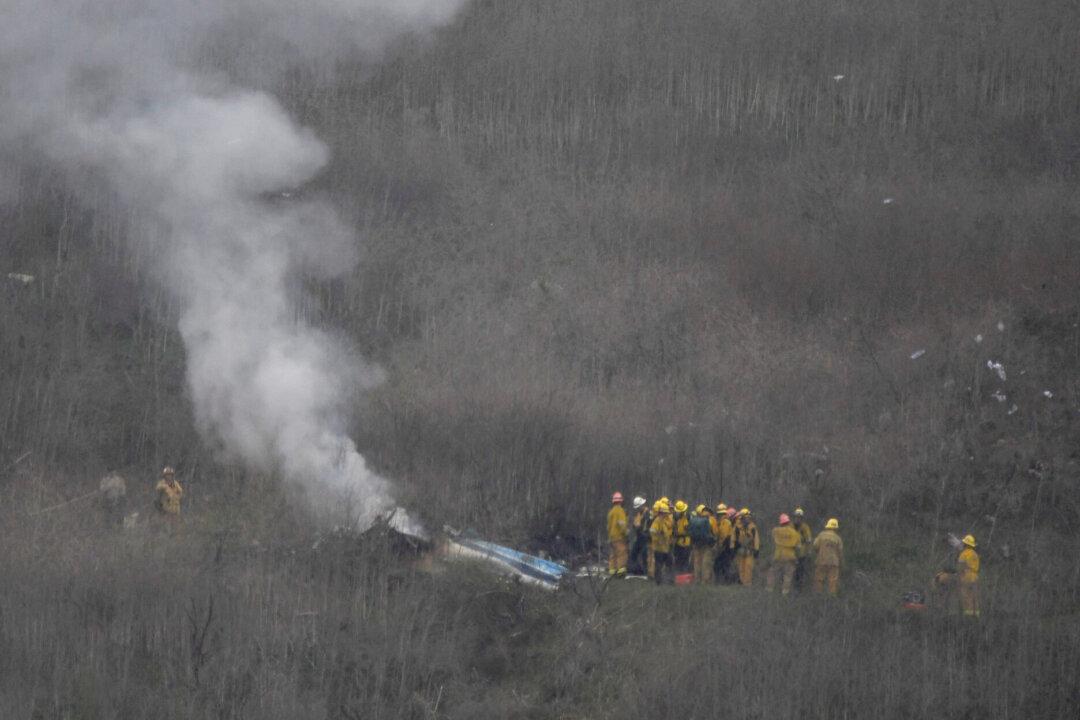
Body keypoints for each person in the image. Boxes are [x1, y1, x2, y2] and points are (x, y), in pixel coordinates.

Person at [767, 513, 801, 595]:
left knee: (772, 573)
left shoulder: (776, 530)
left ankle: (769, 590)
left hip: (778, 555)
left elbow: (772, 538)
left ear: (781, 522)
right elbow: (798, 547)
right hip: (790, 556)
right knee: (788, 576)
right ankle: (785, 592)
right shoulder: (795, 533)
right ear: (789, 522)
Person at [812, 518, 844, 595]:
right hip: (834, 563)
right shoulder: (838, 538)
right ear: (836, 528)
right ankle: (831, 598)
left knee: (819, 580)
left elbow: (815, 546)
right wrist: (841, 563)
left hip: (821, 561)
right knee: (832, 581)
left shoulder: (821, 535)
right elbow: (840, 552)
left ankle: (818, 596)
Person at [689, 504, 715, 584]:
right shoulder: (711, 520)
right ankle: (705, 581)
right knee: (706, 563)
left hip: (696, 544)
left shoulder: (694, 520)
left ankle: (697, 579)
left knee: (697, 562)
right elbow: (715, 532)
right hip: (707, 545)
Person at [649, 502, 674, 585]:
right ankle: (659, 581)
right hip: (659, 548)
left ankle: (669, 580)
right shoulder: (657, 521)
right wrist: (658, 539)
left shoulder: (662, 521)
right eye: (665, 513)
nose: (667, 515)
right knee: (659, 565)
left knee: (669, 563)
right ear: (662, 513)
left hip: (664, 548)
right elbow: (652, 531)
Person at [733, 508, 760, 586]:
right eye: (746, 517)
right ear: (742, 517)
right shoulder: (737, 527)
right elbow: (733, 538)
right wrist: (733, 548)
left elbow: (756, 539)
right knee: (740, 568)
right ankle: (742, 582)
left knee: (748, 568)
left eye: (749, 517)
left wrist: (756, 550)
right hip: (740, 551)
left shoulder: (752, 527)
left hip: (749, 551)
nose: (748, 519)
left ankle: (747, 583)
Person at [957, 534, 980, 618]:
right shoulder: (975, 554)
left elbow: (960, 566)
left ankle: (968, 616)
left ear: (966, 544)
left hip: (966, 576)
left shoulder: (964, 554)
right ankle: (976, 615)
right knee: (975, 596)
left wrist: (959, 577)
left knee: (967, 596)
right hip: (975, 576)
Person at [606, 492, 629, 577]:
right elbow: (622, 524)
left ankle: (612, 571)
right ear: (621, 501)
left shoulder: (611, 512)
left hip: (611, 537)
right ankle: (621, 571)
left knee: (613, 554)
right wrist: (626, 533)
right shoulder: (620, 511)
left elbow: (608, 526)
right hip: (619, 537)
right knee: (621, 553)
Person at [712, 504, 735, 583]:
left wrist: (721, 546)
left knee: (723, 565)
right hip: (722, 546)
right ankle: (721, 581)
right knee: (719, 565)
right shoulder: (719, 522)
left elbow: (724, 536)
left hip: (725, 547)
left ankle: (725, 581)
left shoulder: (726, 522)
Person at [629, 496, 651, 575]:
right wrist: (635, 527)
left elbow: (648, 526)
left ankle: (645, 572)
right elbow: (635, 524)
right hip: (639, 537)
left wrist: (642, 530)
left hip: (645, 537)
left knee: (645, 555)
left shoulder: (647, 513)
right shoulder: (638, 514)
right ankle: (632, 570)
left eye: (639, 507)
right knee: (633, 554)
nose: (638, 509)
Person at [792, 507, 813, 590]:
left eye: (799, 517)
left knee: (799, 573)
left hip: (801, 554)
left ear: (802, 518)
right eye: (796, 517)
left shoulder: (805, 527)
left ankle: (798, 589)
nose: (798, 519)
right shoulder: (790, 526)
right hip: (790, 554)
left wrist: (809, 551)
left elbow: (808, 540)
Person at [672, 500, 692, 572]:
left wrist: (678, 534)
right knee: (678, 560)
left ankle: (684, 575)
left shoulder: (686, 517)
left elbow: (688, 530)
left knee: (684, 560)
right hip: (678, 543)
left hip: (685, 543)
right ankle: (678, 575)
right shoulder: (676, 518)